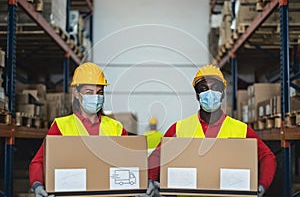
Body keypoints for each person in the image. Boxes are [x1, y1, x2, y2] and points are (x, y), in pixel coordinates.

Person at [146, 64, 277, 197]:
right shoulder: (179, 129)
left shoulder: (241, 130)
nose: (209, 93)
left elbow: (267, 156)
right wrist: (150, 180)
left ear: (223, 93)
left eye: (215, 88)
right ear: (197, 95)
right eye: (203, 88)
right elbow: (157, 157)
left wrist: (262, 185)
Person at [29, 62, 128, 197]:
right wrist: (37, 185)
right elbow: (39, 161)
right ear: (76, 93)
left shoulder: (116, 128)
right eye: (89, 92)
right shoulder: (61, 126)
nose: (96, 97)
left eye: (99, 93)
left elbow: (129, 163)